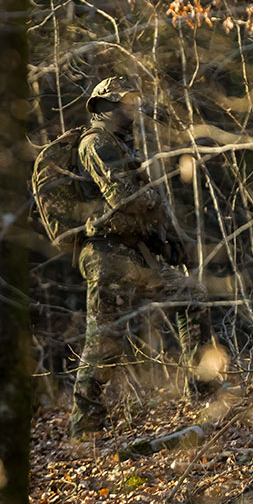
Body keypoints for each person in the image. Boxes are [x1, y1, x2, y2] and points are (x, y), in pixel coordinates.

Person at [70, 76, 193, 436]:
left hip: (134, 250)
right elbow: (127, 199)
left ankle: (204, 390)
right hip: (108, 254)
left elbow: (145, 200)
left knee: (189, 295)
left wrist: (169, 236)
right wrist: (155, 195)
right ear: (105, 107)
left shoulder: (124, 146)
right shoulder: (96, 144)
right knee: (105, 340)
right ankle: (85, 424)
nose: (133, 108)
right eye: (125, 102)